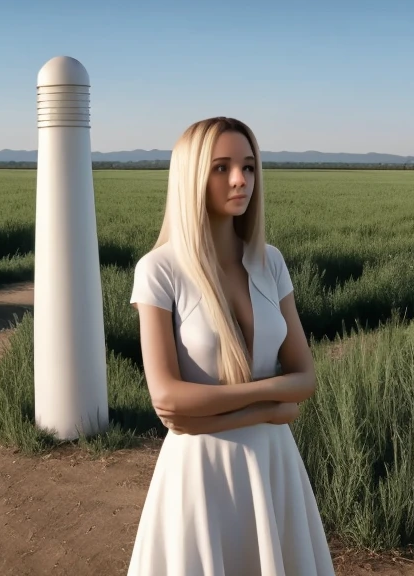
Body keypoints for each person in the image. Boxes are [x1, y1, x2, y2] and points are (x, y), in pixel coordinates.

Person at [126, 117, 335, 575]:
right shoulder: (159, 270)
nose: (241, 179)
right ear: (191, 176)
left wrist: (223, 412)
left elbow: (305, 376)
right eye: (221, 167)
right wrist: (264, 409)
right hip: (201, 474)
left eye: (248, 166)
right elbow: (166, 398)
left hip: (274, 463)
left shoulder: (270, 262)